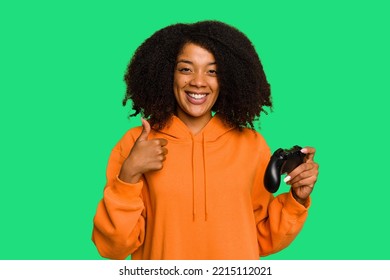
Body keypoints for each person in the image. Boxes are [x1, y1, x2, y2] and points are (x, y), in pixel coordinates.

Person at [92, 20, 319, 260]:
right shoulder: (135, 144)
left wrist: (297, 198)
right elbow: (113, 248)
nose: (199, 81)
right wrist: (129, 174)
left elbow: (262, 238)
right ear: (167, 73)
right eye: (186, 69)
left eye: (212, 71)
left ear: (228, 78)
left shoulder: (251, 145)